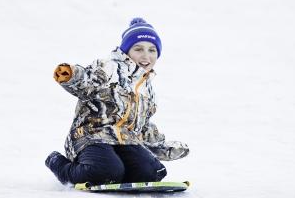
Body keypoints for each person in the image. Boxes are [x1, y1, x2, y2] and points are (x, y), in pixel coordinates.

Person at [45, 18, 189, 185]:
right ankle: (58, 163)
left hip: (126, 141)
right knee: (105, 172)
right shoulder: (109, 68)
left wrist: (163, 147)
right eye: (138, 49)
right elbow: (88, 80)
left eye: (152, 50)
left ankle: (118, 172)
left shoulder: (147, 88)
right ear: (126, 50)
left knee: (151, 172)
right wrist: (71, 74)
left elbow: (143, 126)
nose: (146, 56)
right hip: (92, 136)